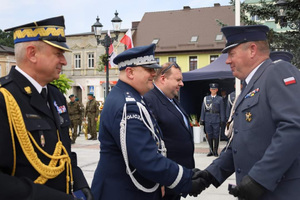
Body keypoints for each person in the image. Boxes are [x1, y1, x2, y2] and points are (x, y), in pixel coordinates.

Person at [91, 44, 208, 200]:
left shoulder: (132, 98)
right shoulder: (128, 105)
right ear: (130, 72)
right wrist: (185, 179)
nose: (154, 73)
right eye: (148, 69)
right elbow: (145, 158)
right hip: (123, 191)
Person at [196, 25, 300, 200]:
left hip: (280, 192)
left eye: (231, 54)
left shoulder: (277, 71)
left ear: (252, 50)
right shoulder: (249, 87)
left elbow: (293, 128)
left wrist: (260, 179)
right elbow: (241, 141)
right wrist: (210, 175)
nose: (227, 61)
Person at [0, 16, 93, 200]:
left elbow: (64, 152)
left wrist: (81, 184)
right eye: (58, 53)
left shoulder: (55, 95)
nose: (64, 61)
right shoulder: (4, 99)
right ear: (32, 53)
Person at [144, 62, 195, 200]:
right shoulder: (150, 100)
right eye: (178, 80)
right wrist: (159, 179)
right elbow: (151, 145)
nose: (182, 84)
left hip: (177, 178)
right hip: (166, 180)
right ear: (163, 78)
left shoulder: (172, 99)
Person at [200, 83, 225, 157]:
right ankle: (210, 150)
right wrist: (202, 119)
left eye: (214, 89)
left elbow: (222, 110)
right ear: (210, 90)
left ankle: (215, 151)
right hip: (208, 118)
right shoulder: (206, 98)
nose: (213, 90)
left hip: (216, 118)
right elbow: (203, 109)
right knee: (209, 135)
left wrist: (222, 119)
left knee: (216, 135)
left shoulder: (220, 99)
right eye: (212, 89)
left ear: (217, 90)